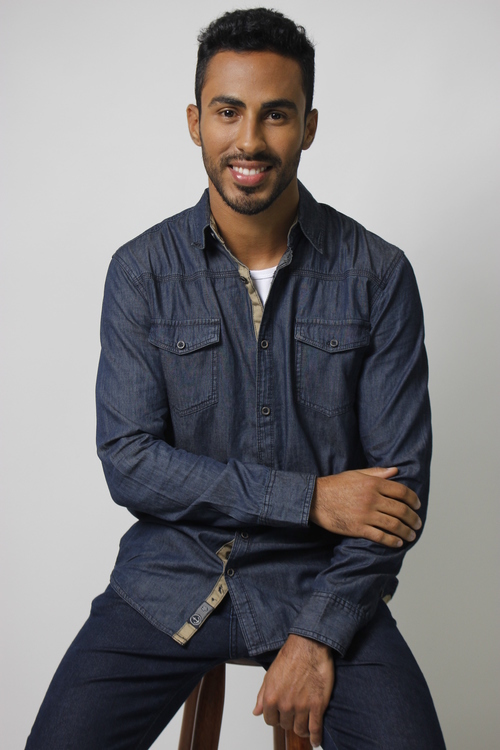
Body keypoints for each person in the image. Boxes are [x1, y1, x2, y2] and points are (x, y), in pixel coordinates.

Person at [25, 8, 446, 749]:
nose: (249, 140)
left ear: (308, 127)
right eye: (228, 112)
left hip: (324, 583)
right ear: (195, 122)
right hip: (169, 578)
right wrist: (311, 498)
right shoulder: (142, 271)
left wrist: (316, 637)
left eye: (275, 114)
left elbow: (397, 493)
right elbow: (129, 460)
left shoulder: (377, 274)